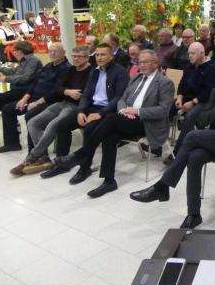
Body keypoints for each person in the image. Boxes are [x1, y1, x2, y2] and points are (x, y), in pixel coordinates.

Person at [130, 61, 215, 229]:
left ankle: (163, 185)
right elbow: (202, 120)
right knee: (194, 157)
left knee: (191, 136)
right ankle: (194, 214)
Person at [53, 49, 174, 197]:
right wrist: (123, 110)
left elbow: (163, 110)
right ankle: (109, 181)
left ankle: (82, 154)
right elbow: (122, 98)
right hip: (127, 118)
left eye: (146, 62)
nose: (141, 65)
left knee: (110, 118)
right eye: (140, 62)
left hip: (147, 123)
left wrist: (137, 111)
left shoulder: (164, 82)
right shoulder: (136, 77)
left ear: (155, 63)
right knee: (109, 137)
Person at [49, 43, 129, 184]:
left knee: (89, 129)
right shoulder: (95, 71)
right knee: (63, 124)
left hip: (108, 110)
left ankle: (84, 168)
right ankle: (62, 163)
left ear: (111, 56)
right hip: (91, 107)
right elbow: (86, 94)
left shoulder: (120, 72)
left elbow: (118, 98)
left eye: (103, 54)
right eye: (97, 54)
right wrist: (80, 111)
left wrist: (101, 113)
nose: (99, 57)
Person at [13, 45, 93, 177]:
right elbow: (57, 89)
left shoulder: (91, 72)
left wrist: (64, 91)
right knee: (33, 122)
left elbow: (82, 94)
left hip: (75, 107)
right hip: (62, 103)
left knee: (52, 125)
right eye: (74, 56)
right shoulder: (71, 69)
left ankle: (31, 158)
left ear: (87, 57)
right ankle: (43, 157)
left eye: (79, 57)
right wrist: (67, 91)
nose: (76, 59)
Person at [0, 42, 70, 153]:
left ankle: (36, 153)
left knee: (30, 115)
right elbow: (34, 83)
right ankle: (12, 144)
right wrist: (24, 99)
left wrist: (37, 103)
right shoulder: (48, 66)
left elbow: (56, 92)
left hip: (49, 102)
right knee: (7, 109)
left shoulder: (67, 69)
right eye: (50, 51)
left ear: (64, 53)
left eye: (56, 51)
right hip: (34, 99)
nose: (52, 54)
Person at [166, 42, 215, 162]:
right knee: (168, 107)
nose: (190, 56)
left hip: (204, 101)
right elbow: (182, 83)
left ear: (202, 53)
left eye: (193, 53)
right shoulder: (189, 66)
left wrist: (193, 102)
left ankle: (178, 152)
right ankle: (157, 143)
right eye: (189, 53)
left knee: (190, 116)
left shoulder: (211, 68)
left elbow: (210, 91)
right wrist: (180, 97)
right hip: (188, 97)